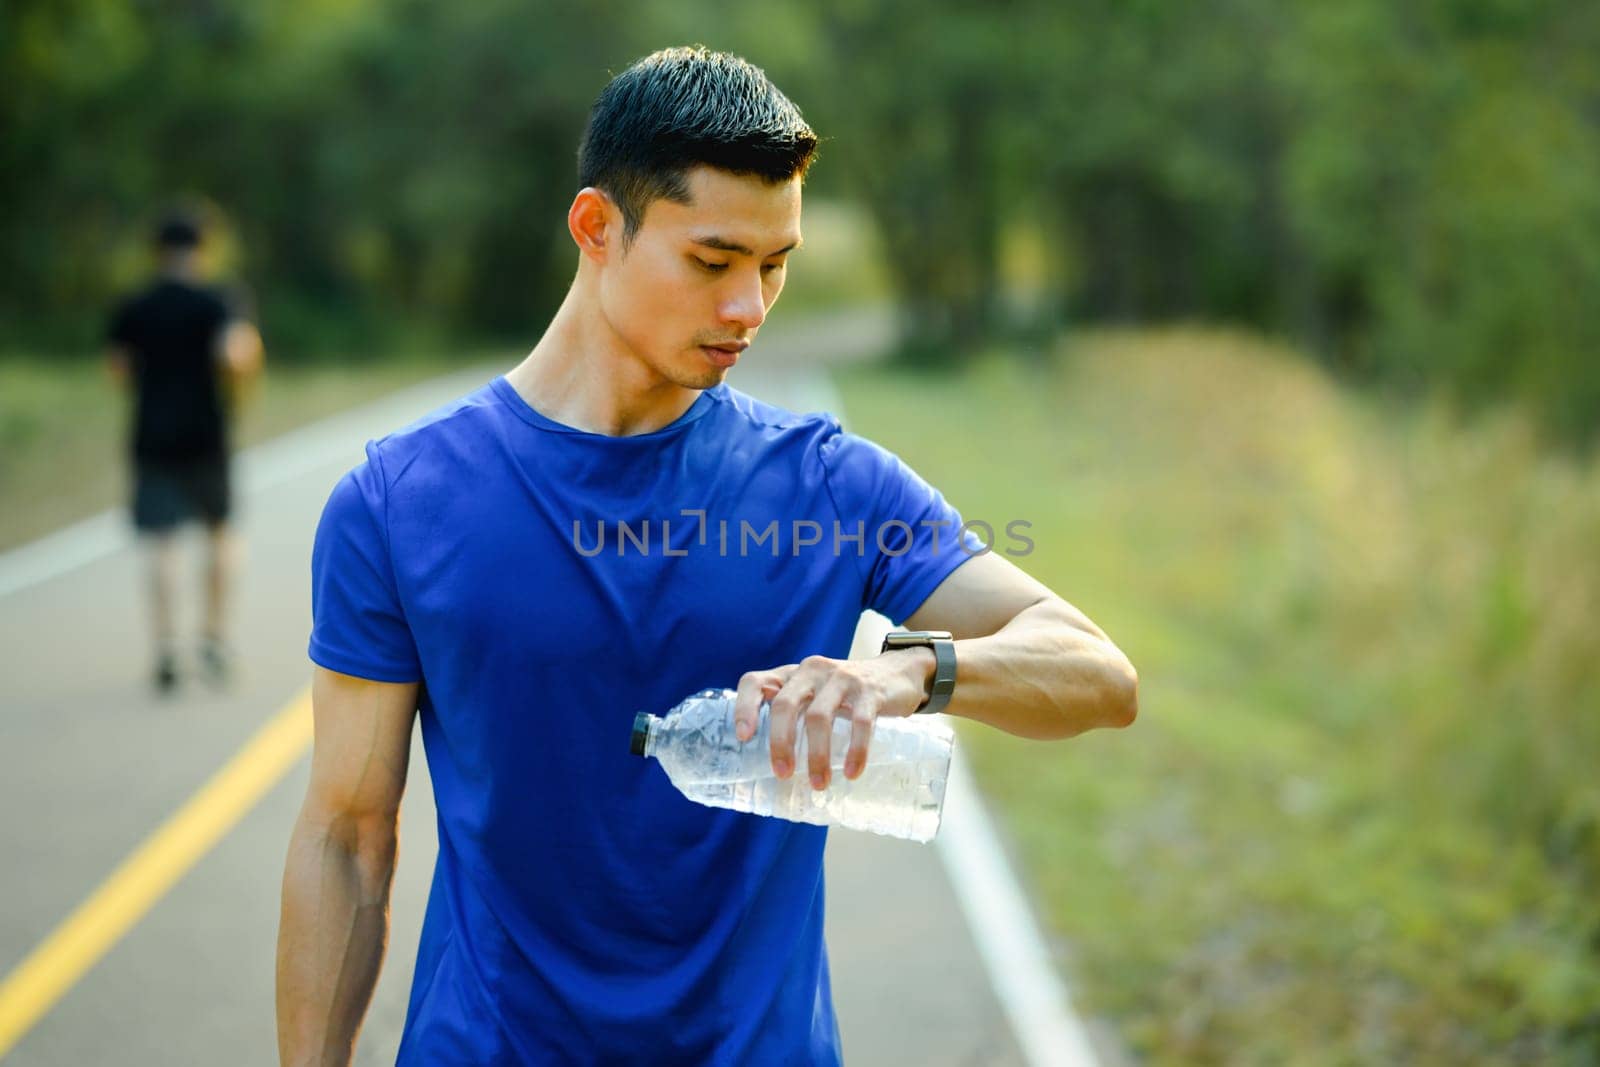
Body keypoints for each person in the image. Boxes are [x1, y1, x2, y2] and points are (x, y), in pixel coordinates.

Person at [276, 46, 1138, 1066]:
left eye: (776, 265)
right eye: (713, 261)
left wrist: (912, 669)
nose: (750, 309)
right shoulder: (397, 501)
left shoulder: (831, 486)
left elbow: (1097, 673)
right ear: (597, 228)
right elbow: (346, 833)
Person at [107, 208, 263, 692]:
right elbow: (236, 356)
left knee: (162, 541)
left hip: (151, 434)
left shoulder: (135, 304)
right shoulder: (220, 299)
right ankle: (214, 639)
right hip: (205, 433)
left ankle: (166, 648)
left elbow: (118, 369)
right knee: (220, 534)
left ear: (157, 250)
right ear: (203, 248)